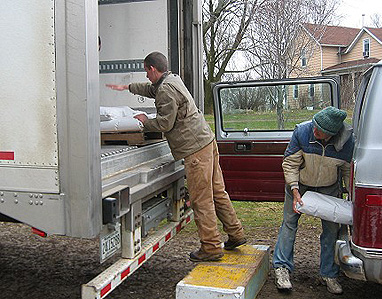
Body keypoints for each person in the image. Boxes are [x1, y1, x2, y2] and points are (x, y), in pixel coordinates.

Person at [106, 51, 246, 262]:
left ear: (153, 69)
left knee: (201, 200)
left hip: (195, 151)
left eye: (146, 71)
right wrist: (127, 87)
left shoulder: (166, 90)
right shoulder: (172, 79)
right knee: (218, 192)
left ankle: (211, 247)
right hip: (207, 142)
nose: (146, 76)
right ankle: (236, 233)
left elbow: (164, 124)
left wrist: (144, 120)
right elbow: (152, 89)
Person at [272, 106, 354, 295]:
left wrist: (351, 196)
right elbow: (290, 163)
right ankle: (282, 268)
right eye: (315, 126)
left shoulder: (347, 143)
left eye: (320, 131)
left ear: (332, 134)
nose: (314, 131)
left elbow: (348, 171)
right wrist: (294, 190)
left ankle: (329, 273)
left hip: (329, 185)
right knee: (289, 223)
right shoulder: (302, 131)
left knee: (332, 229)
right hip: (300, 182)